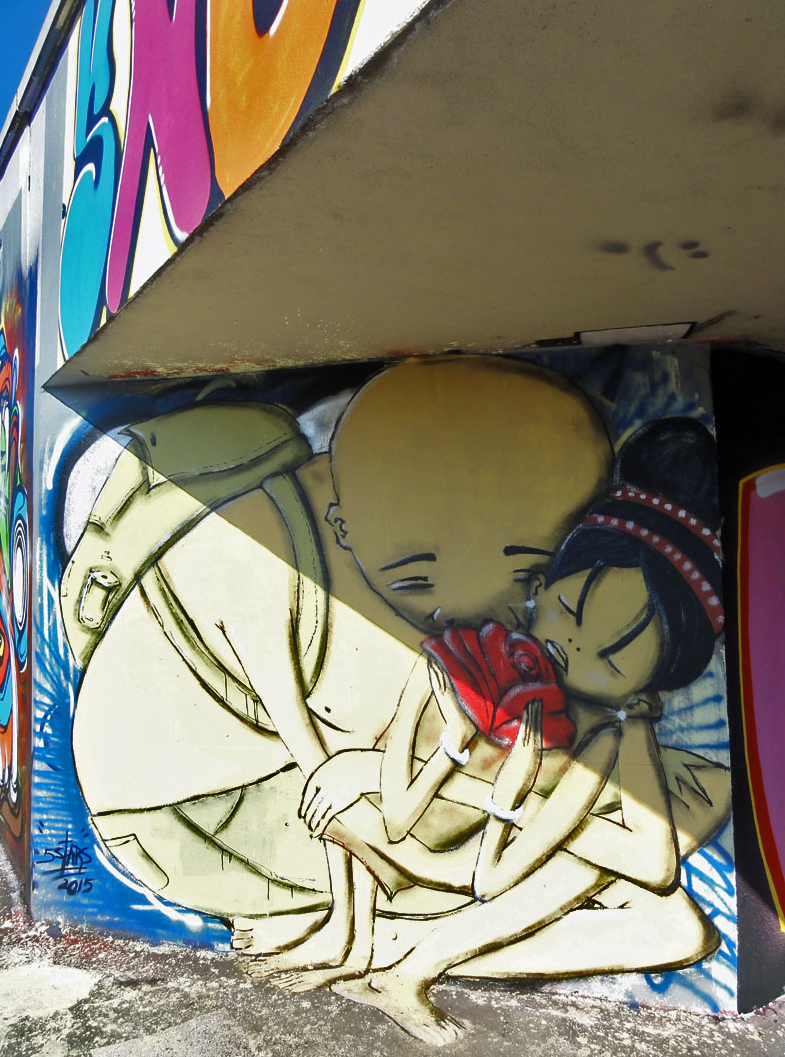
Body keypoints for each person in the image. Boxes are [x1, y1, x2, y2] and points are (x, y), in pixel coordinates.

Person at [69, 355, 614, 954]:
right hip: (175, 814)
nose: (461, 604)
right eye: (417, 579)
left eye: (527, 577)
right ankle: (347, 926)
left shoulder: (347, 520)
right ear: (342, 524)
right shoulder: (265, 550)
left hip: (208, 796)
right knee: (455, 829)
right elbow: (330, 777)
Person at [291, 419, 728, 1042]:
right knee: (605, 865)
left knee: (677, 922)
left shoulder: (611, 734)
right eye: (570, 610)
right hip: (402, 836)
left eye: (612, 660)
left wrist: (521, 804)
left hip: (487, 861)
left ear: (641, 692)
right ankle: (409, 962)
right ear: (540, 588)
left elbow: (654, 864)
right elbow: (400, 808)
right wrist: (471, 775)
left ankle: (407, 952)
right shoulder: (470, 663)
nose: (574, 647)